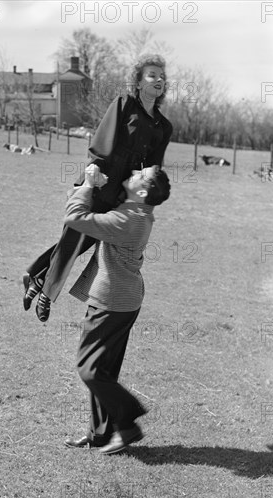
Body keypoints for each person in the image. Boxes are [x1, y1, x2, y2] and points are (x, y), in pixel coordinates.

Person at [23, 53, 173, 322]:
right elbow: (103, 140)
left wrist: (142, 200)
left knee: (84, 241)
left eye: (161, 76)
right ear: (138, 82)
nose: (159, 79)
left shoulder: (164, 126)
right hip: (99, 180)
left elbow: (153, 168)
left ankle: (37, 275)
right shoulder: (125, 104)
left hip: (123, 194)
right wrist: (95, 174)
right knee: (72, 239)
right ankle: (46, 290)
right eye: (152, 74)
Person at [63, 165, 171, 455]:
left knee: (90, 369)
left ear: (144, 191)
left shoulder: (127, 219)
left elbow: (75, 217)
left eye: (140, 174)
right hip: (125, 300)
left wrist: (87, 185)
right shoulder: (137, 213)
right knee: (105, 370)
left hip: (111, 302)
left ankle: (128, 421)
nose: (134, 171)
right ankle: (101, 434)